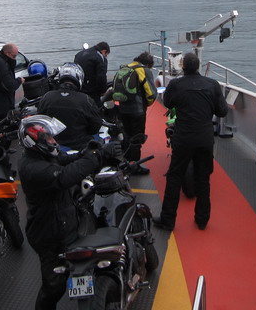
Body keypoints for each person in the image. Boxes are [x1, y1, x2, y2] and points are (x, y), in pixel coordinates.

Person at [18, 114, 121, 310]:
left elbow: (64, 159)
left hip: (66, 224)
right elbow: (65, 176)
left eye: (51, 137)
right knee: (53, 287)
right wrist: (97, 156)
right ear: (33, 142)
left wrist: (86, 152)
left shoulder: (43, 156)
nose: (52, 141)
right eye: (47, 138)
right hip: (48, 234)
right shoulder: (32, 167)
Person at [154, 52, 228, 231]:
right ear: (198, 66)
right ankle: (202, 220)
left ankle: (168, 220)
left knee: (174, 177)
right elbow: (222, 111)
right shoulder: (212, 84)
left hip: (183, 138)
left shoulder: (176, 84)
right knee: (203, 179)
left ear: (183, 66)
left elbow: (168, 103)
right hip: (204, 138)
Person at [37, 62, 103, 151]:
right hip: (80, 146)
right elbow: (96, 126)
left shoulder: (46, 97)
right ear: (79, 78)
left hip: (53, 145)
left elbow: (40, 121)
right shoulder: (86, 100)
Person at [115, 52, 157, 174]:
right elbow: (151, 93)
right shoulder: (143, 70)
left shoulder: (125, 68)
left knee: (127, 135)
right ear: (148, 64)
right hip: (137, 110)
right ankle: (134, 166)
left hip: (123, 109)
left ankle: (126, 162)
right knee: (137, 138)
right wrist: (146, 104)